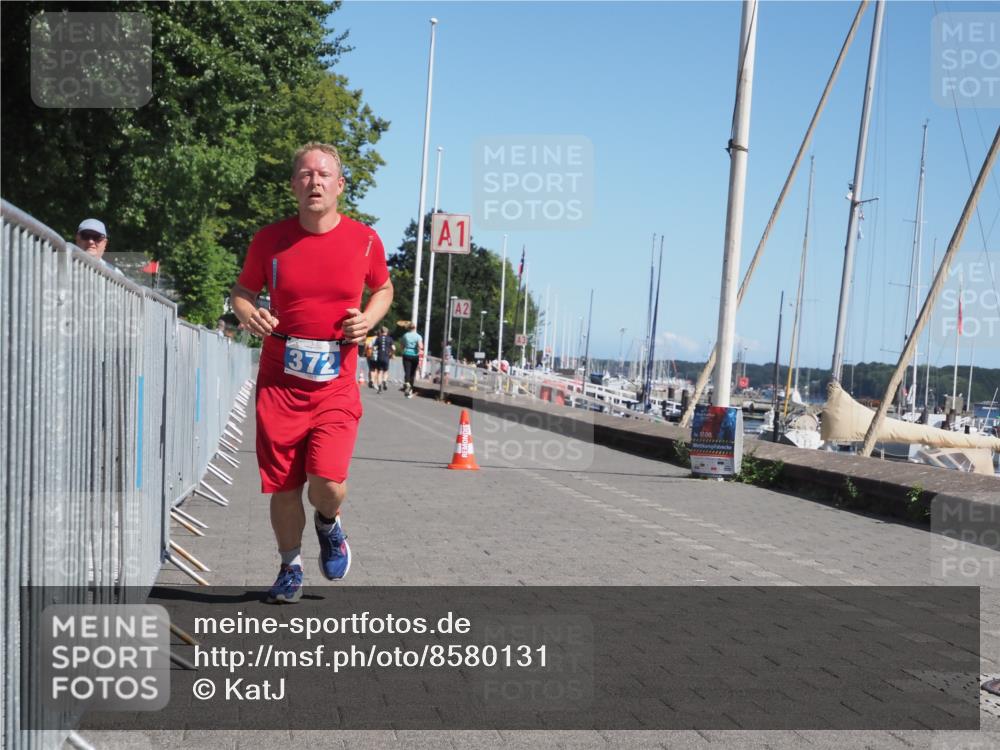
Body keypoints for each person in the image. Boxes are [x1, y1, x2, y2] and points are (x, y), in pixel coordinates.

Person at [230, 142, 392, 603]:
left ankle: (328, 523)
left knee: (327, 483)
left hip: (335, 381)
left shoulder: (364, 239)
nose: (314, 182)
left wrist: (369, 318)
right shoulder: (270, 239)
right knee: (283, 486)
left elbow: (383, 288)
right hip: (280, 382)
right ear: (293, 186)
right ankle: (290, 567)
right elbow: (243, 290)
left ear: (340, 186)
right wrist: (248, 312)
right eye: (305, 175)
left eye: (323, 175)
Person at [400, 322, 423, 398]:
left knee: (407, 371)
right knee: (412, 373)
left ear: (409, 328)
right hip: (414, 355)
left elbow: (402, 346)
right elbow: (420, 346)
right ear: (415, 328)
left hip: (406, 354)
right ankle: (410, 390)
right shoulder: (418, 336)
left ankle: (407, 384)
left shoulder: (405, 335)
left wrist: (403, 350)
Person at [372, 326, 394, 392]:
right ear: (387, 332)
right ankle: (384, 381)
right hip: (386, 357)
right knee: (386, 371)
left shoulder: (378, 338)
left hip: (379, 357)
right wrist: (391, 353)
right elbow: (394, 348)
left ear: (381, 332)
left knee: (379, 372)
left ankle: (379, 388)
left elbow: (374, 348)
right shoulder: (390, 338)